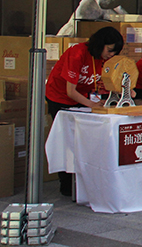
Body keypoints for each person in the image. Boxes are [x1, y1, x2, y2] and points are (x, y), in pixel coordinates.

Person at [45, 26, 124, 196]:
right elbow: (70, 91)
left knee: (85, 139)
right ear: (100, 44)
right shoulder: (77, 54)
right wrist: (91, 104)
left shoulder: (103, 59)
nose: (110, 55)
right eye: (109, 50)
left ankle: (85, 181)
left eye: (114, 52)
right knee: (67, 140)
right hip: (60, 98)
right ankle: (66, 184)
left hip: (84, 98)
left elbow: (105, 82)